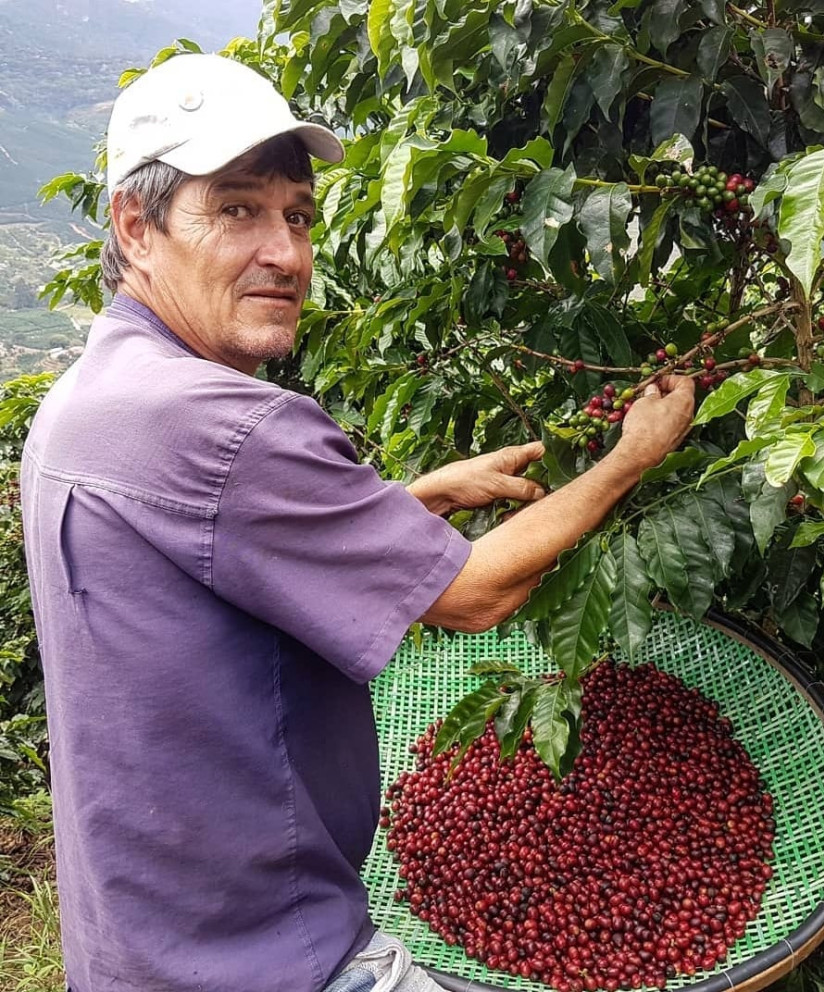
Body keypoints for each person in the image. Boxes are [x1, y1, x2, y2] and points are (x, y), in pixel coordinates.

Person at [21, 53, 694, 992]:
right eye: (237, 210)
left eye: (296, 216)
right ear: (136, 228)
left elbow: (217, 557)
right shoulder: (225, 425)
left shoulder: (89, 400)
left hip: (141, 944)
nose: (286, 253)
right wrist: (634, 457)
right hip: (271, 959)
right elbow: (474, 595)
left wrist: (409, 502)